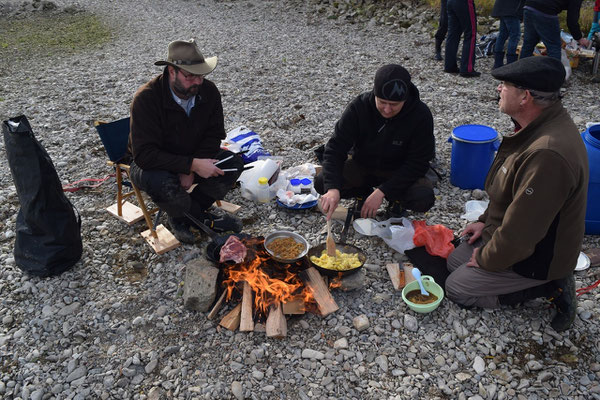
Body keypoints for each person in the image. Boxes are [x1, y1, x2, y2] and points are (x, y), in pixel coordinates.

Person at [445, 56, 589, 332]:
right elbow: (510, 191)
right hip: (519, 234)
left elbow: (522, 234)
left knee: (458, 288)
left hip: (541, 256)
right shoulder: (533, 127)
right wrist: (485, 220)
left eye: (505, 85)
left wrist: (487, 258)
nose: (499, 89)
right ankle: (504, 269)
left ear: (524, 97)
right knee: (454, 262)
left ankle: (551, 286)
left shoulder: (548, 154)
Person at [129, 39, 243, 244]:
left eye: (201, 75)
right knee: (161, 183)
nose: (197, 82)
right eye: (190, 76)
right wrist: (190, 165)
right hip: (153, 163)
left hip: (193, 155)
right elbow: (144, 155)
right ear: (172, 71)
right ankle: (194, 217)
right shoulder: (147, 99)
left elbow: (214, 133)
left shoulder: (208, 91)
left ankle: (186, 214)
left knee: (232, 165)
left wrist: (191, 168)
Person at [316, 64, 436, 222]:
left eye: (394, 105)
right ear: (374, 94)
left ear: (405, 100)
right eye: (382, 102)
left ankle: (396, 202)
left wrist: (383, 192)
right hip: (363, 165)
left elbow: (418, 162)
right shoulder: (359, 107)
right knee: (322, 181)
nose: (387, 110)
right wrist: (332, 189)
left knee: (423, 197)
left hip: (399, 170)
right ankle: (362, 193)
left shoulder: (421, 115)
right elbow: (335, 148)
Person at [520, 0, 591, 61]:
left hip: (529, 7)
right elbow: (572, 21)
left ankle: (519, 73)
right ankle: (554, 75)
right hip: (546, 11)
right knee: (554, 47)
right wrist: (579, 38)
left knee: (528, 43)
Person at [444, 0, 480, 77]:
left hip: (450, 2)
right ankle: (467, 69)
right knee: (470, 33)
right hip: (464, 2)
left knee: (453, 34)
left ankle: (449, 66)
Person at [492, 0, 525, 69]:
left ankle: (497, 63)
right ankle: (510, 64)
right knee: (515, 36)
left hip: (501, 9)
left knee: (502, 35)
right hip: (512, 10)